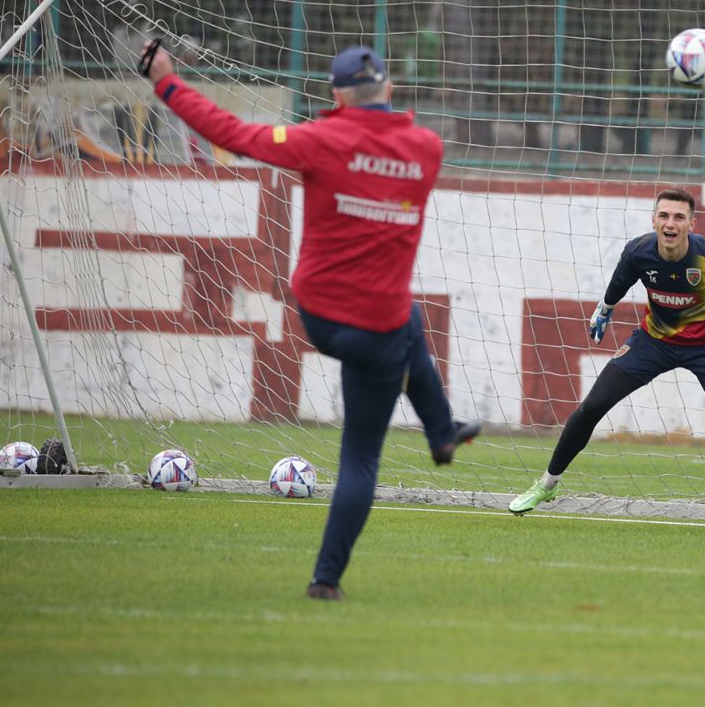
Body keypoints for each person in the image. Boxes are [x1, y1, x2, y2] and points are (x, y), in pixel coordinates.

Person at [141, 40, 480, 599]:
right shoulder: (427, 149)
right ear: (390, 90)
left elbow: (231, 134)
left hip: (319, 314)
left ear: (335, 94)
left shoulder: (320, 140)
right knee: (361, 455)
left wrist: (167, 81)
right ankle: (326, 580)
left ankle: (442, 433)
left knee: (411, 318)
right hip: (378, 325)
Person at [509, 187, 705, 538]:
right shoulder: (638, 251)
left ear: (691, 224)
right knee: (593, 406)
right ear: (654, 220)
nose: (670, 223)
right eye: (664, 215)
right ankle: (547, 483)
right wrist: (604, 309)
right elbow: (622, 277)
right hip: (655, 342)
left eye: (679, 217)